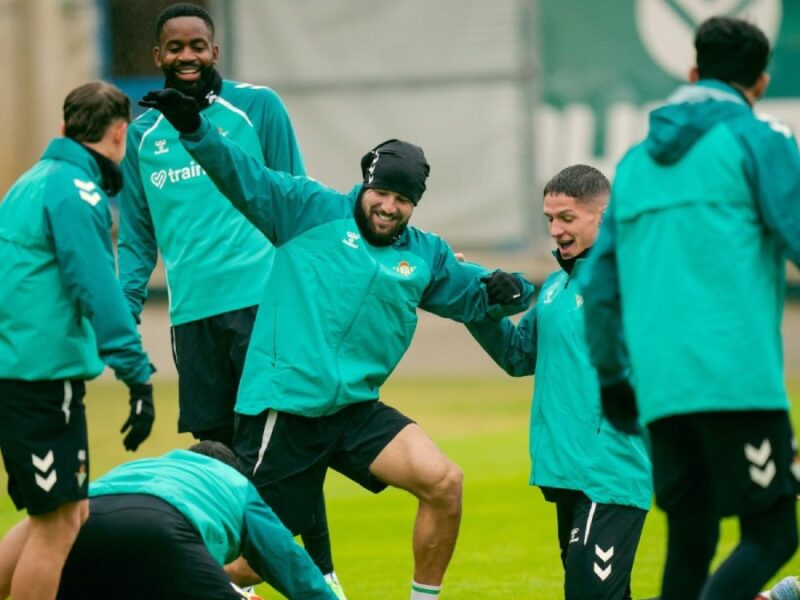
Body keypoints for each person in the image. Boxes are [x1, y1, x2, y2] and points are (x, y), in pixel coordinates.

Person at [137, 86, 534, 600]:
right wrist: (194, 129)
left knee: (444, 483)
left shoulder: (425, 256)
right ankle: (160, 581)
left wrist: (514, 289)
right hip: (287, 411)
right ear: (364, 184)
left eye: (403, 199)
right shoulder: (307, 210)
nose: (389, 207)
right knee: (255, 564)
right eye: (382, 193)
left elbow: (481, 296)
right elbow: (242, 175)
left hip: (353, 410)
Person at [116, 3, 340, 591]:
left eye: (198, 45)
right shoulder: (143, 136)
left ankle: (323, 575)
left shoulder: (257, 107)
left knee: (282, 450)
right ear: (157, 57)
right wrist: (122, 315)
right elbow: (138, 241)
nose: (187, 56)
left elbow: (295, 201)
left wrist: (314, 294)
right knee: (216, 455)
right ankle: (234, 581)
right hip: (193, 320)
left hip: (264, 307)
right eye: (175, 47)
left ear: (215, 51)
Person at [579, 16, 800, 600]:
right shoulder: (761, 140)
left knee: (692, 537)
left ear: (693, 72)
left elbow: (601, 287)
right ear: (760, 82)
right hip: (738, 383)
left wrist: (612, 378)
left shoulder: (632, 164)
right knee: (773, 534)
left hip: (660, 391)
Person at [465, 165, 651, 599]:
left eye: (567, 218)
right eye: (549, 219)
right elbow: (517, 357)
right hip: (564, 470)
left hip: (611, 470)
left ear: (603, 217)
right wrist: (483, 307)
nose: (555, 230)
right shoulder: (553, 288)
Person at [0, 81, 155, 600]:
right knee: (56, 526)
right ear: (119, 133)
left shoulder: (32, 182)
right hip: (39, 379)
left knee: (70, 511)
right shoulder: (76, 190)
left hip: (24, 373)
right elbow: (98, 288)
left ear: (65, 128)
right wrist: (136, 375)